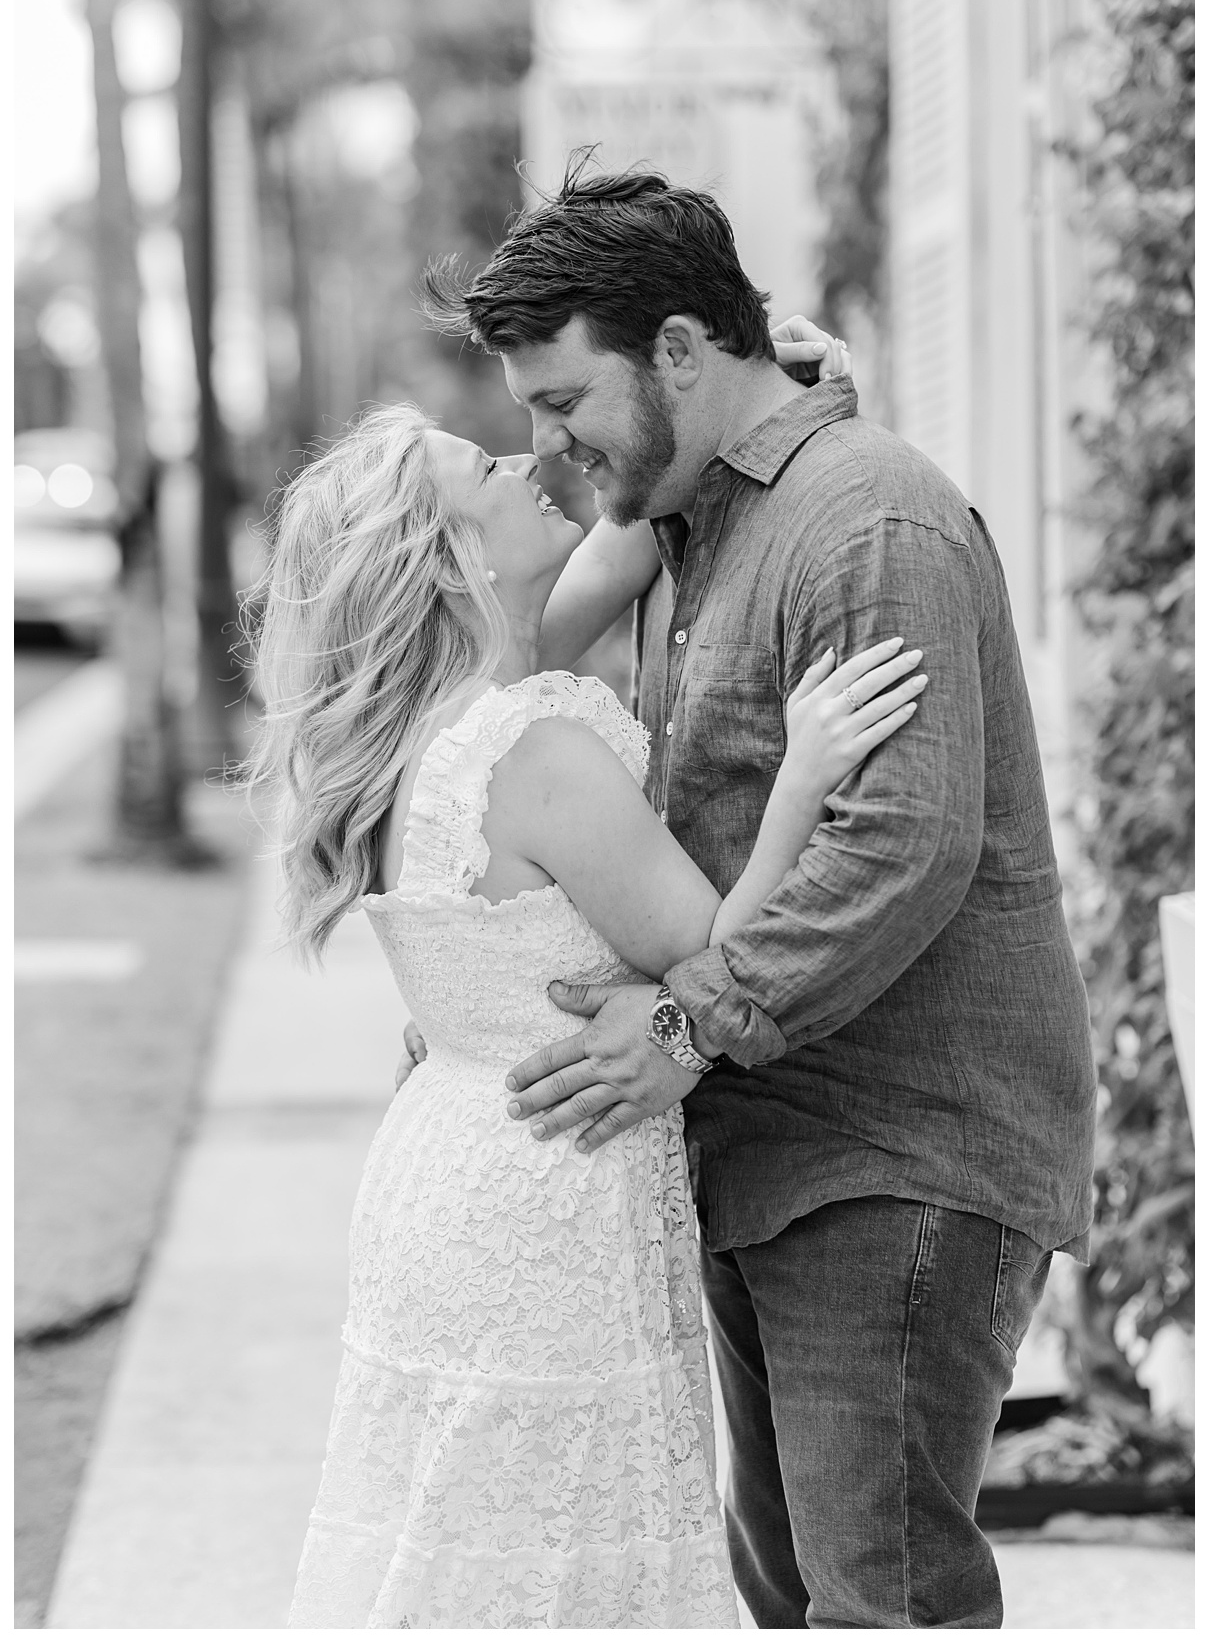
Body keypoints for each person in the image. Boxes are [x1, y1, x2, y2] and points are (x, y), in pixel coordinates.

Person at [417, 156, 1098, 1629]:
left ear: (676, 349)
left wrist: (677, 1029)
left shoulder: (868, 525)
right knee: (792, 1596)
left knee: (881, 1604)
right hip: (764, 1152)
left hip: (895, 1156)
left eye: (563, 403)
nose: (547, 447)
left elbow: (897, 849)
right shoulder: (698, 519)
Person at [245, 397, 924, 1627]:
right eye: (486, 467)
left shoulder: (414, 735)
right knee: (562, 1565)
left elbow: (602, 541)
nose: (527, 461)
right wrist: (806, 777)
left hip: (446, 1175)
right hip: (553, 1197)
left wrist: (768, 406)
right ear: (454, 561)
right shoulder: (533, 748)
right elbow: (719, 949)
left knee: (460, 1543)